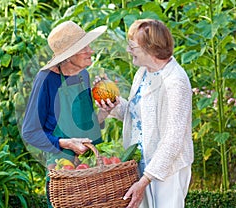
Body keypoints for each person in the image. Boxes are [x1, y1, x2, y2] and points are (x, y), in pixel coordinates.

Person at [94, 19, 194, 208]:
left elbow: (173, 139)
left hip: (167, 170)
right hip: (140, 164)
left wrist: (145, 180)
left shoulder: (175, 82)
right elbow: (138, 116)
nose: (128, 50)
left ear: (151, 48)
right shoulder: (144, 73)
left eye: (133, 46)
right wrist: (113, 103)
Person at [21, 21, 112, 208]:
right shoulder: (46, 80)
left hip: (89, 166)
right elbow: (30, 132)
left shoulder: (83, 75)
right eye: (83, 47)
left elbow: (85, 124)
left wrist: (104, 112)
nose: (91, 51)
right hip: (62, 169)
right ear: (68, 56)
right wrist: (67, 143)